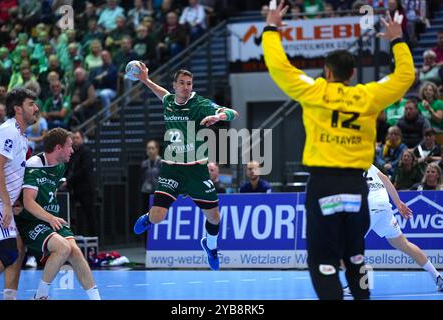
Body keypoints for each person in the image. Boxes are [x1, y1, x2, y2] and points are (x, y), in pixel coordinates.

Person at [262, 2, 414, 300]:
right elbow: (404, 77)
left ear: (327, 72)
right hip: (357, 187)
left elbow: (279, 66)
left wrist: (271, 28)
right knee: (356, 257)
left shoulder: (314, 90)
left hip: (323, 186)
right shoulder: (367, 96)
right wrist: (397, 39)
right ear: (353, 73)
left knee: (323, 261)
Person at [132, 65, 239, 270]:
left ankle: (210, 245)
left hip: (196, 171)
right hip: (172, 169)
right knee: (157, 217)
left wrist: (219, 117)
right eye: (181, 83)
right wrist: (145, 80)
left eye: (189, 83)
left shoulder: (200, 104)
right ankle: (148, 217)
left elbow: (233, 112)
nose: (186, 87)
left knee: (215, 217)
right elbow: (161, 93)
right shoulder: (169, 101)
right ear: (174, 86)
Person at [15, 128, 100, 300]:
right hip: (32, 220)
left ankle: (96, 298)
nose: (73, 150)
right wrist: (50, 217)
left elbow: (50, 190)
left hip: (50, 218)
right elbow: (28, 202)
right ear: (58, 148)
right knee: (63, 248)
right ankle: (41, 296)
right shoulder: (34, 164)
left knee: (75, 251)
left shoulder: (61, 167)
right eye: (69, 146)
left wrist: (51, 214)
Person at [344, 164, 443, 295]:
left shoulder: (344, 164)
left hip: (368, 207)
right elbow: (385, 179)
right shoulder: (367, 163)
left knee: (345, 248)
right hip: (384, 206)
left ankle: (357, 283)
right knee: (404, 244)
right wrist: (398, 203)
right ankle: (437, 276)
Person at [0, 88, 39, 300]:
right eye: (31, 104)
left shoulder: (22, 136)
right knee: (8, 253)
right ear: (18, 109)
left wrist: (16, 200)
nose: (36, 108)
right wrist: (5, 204)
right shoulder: (8, 131)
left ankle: (9, 297)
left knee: (17, 251)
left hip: (4, 203)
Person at [64, 130, 98, 237]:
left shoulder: (86, 152)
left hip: (85, 188)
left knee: (89, 215)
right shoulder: (72, 152)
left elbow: (84, 170)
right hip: (74, 188)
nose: (75, 140)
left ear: (82, 139)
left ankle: (94, 239)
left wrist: (68, 180)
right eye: (73, 138)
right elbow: (69, 168)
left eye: (77, 138)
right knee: (71, 213)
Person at [140, 139, 162, 217]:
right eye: (148, 148)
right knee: (146, 215)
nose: (150, 150)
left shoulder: (162, 163)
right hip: (146, 193)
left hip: (157, 194)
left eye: (152, 148)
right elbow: (142, 177)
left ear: (157, 149)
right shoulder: (144, 164)